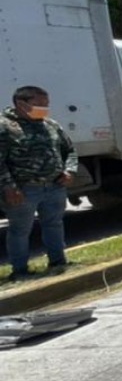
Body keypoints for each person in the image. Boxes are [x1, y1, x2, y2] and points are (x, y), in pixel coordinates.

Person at [1, 85, 77, 280]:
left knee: (54, 224)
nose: (45, 108)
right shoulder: (5, 127)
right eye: (40, 104)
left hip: (54, 186)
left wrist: (69, 170)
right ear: (21, 103)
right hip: (23, 189)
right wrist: (9, 187)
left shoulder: (50, 124)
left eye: (47, 104)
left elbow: (70, 150)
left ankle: (58, 262)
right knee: (20, 230)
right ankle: (20, 271)